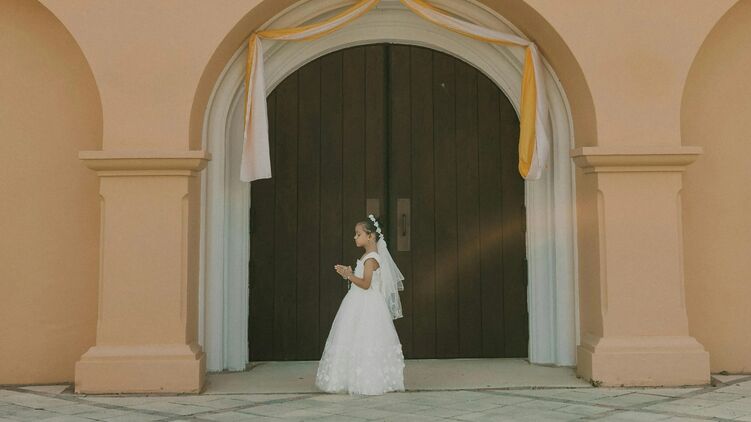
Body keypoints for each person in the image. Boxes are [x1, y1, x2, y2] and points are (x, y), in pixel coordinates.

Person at [315, 214, 406, 395]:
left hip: (366, 304)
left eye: (358, 234)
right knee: (355, 337)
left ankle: (366, 381)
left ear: (370, 236)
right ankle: (355, 378)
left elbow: (365, 284)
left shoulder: (371, 259)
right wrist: (349, 273)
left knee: (364, 338)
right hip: (359, 301)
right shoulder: (368, 256)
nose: (355, 237)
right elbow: (363, 280)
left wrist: (349, 275)